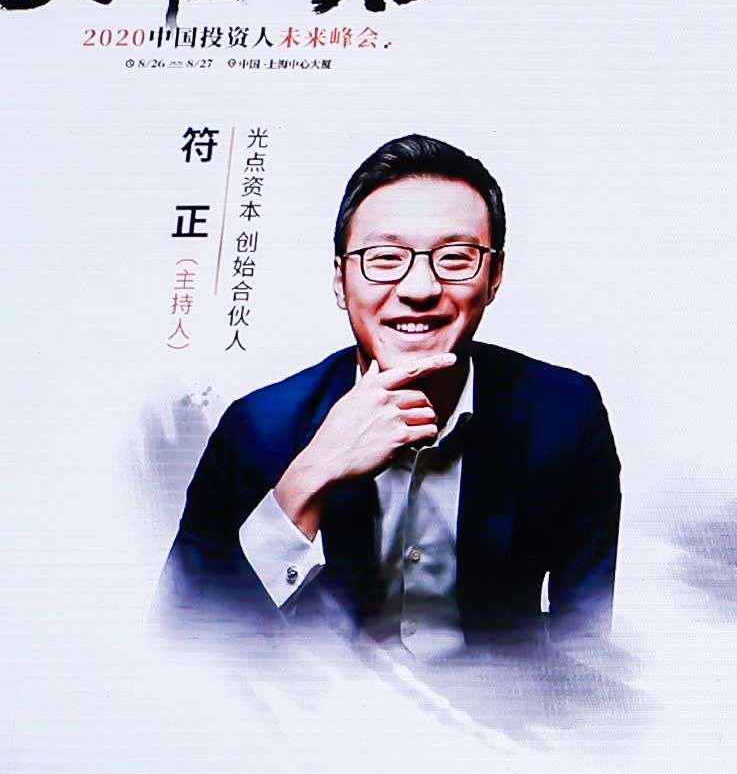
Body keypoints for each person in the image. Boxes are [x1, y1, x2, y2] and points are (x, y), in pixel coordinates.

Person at [165, 135, 619, 653]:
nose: (419, 289)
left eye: (456, 257)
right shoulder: (257, 429)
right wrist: (309, 477)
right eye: (384, 258)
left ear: (494, 277)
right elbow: (184, 637)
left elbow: (584, 642)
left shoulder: (566, 413)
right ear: (340, 280)